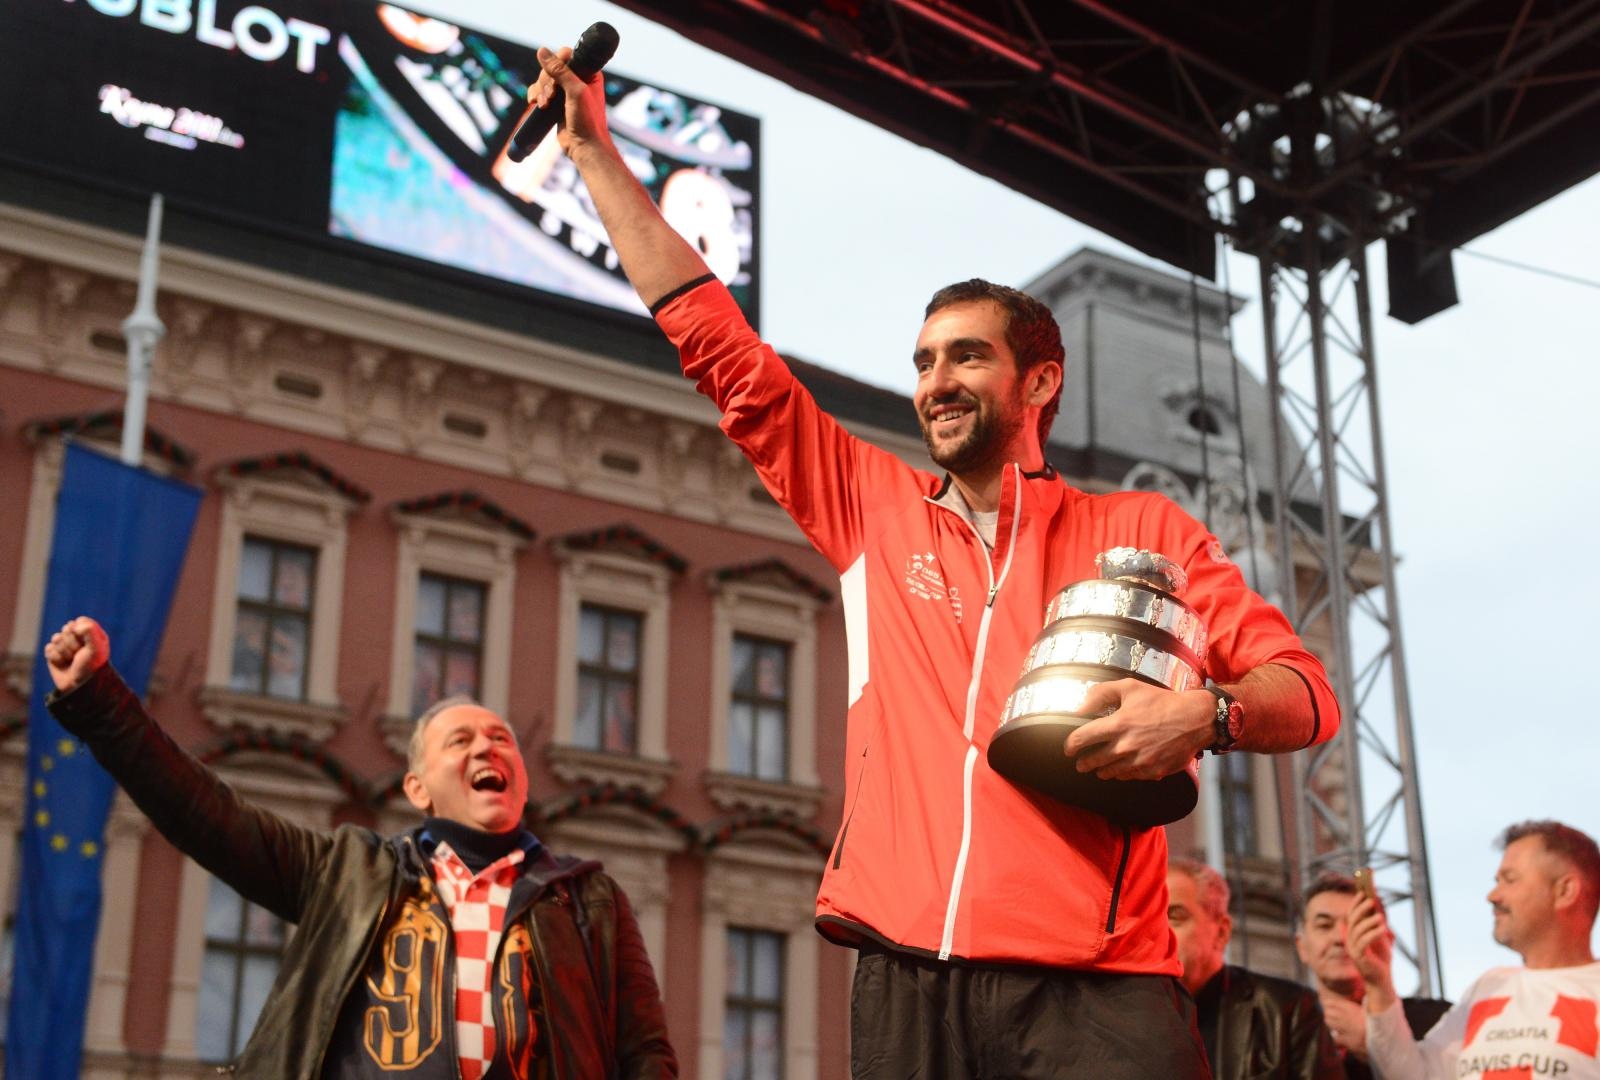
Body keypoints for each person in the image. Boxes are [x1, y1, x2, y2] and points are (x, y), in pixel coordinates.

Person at [528, 42, 1340, 1080]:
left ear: (1039, 381)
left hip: (1095, 980)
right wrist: (595, 155)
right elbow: (716, 345)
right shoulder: (871, 506)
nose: (934, 382)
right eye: (921, 361)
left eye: (965, 355)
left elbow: (1306, 693)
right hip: (907, 968)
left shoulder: (1145, 529)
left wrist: (1204, 715)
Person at [42, 616, 676, 1079]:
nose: (487, 748)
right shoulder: (348, 873)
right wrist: (99, 700)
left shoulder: (588, 899)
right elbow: (205, 815)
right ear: (417, 789)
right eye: (460, 741)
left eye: (501, 739)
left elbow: (647, 1056)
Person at [1349, 820, 1600, 1080]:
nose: (1493, 895)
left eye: (1510, 880)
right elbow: (1412, 1076)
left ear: (1565, 891)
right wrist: (1379, 984)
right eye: (1497, 881)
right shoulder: (1489, 986)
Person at [1168, 857, 1343, 1080]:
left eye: (1174, 916)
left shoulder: (1288, 1009)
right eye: (1149, 918)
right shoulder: (1126, 1015)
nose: (1157, 932)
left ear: (1222, 932)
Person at [1296, 872, 1450, 1077]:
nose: (1341, 938)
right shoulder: (1282, 1031)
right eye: (1324, 926)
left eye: (1356, 924)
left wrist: (1376, 1045)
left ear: (1387, 940)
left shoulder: (1439, 1023)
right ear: (1301, 947)